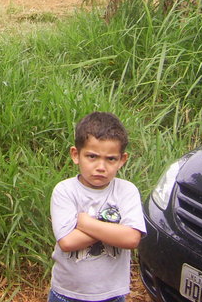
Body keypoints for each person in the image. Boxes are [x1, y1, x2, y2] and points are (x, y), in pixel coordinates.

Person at [48, 111, 146, 302]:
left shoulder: (127, 191)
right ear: (76, 155)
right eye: (92, 156)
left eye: (110, 159)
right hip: (66, 293)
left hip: (112, 295)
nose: (101, 167)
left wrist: (84, 223)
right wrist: (114, 229)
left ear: (122, 160)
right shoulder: (65, 191)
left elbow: (132, 238)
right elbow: (67, 242)